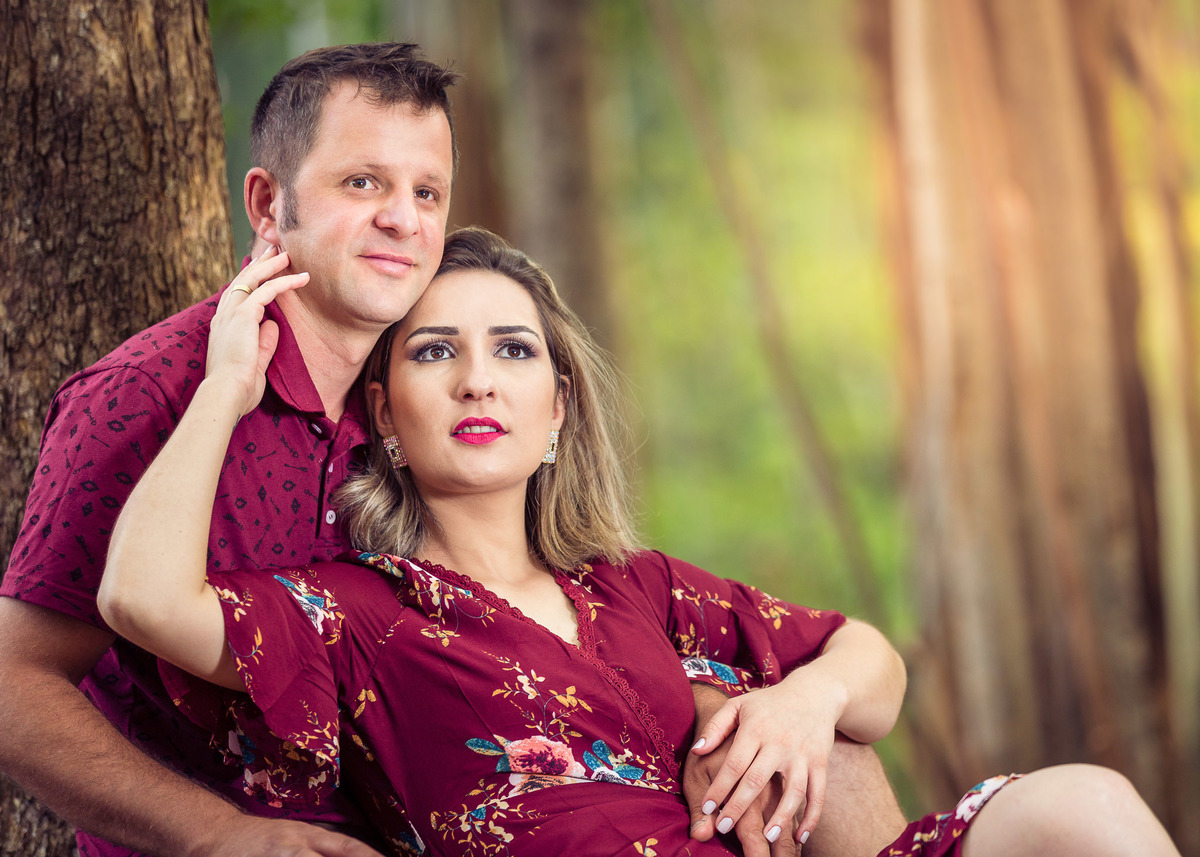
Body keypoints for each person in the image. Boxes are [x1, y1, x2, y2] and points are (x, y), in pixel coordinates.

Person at [0, 40, 903, 857]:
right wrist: (215, 834)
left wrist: (727, 716)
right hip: (231, 837)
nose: (402, 218)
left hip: (448, 823)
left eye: (425, 192)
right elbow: (14, 687)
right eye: (363, 184)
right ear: (270, 205)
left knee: (838, 753)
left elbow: (524, 630)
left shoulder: (425, 394)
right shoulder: (150, 397)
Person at [99, 227, 1182, 857]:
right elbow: (142, 597)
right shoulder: (354, 610)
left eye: (512, 350)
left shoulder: (634, 584)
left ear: (557, 407)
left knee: (1083, 801)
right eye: (436, 352)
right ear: (384, 413)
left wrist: (799, 701)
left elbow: (871, 663)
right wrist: (226, 388)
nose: (479, 378)